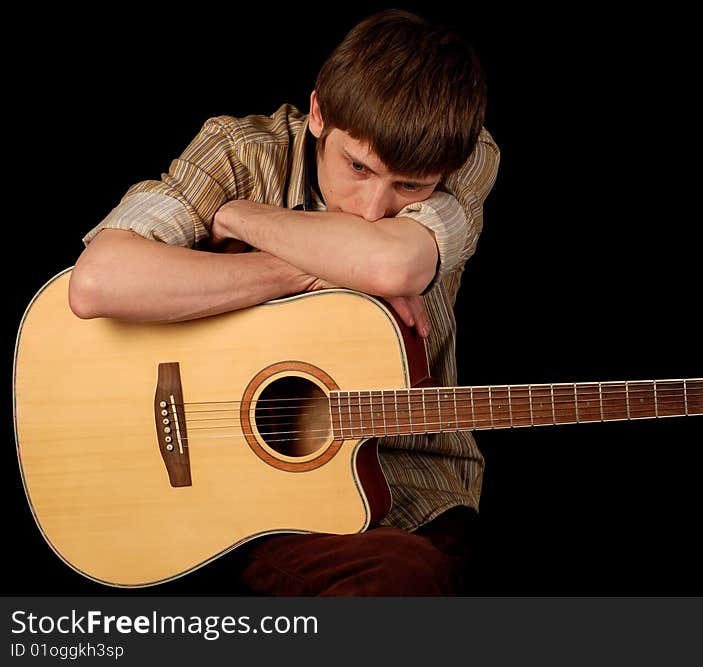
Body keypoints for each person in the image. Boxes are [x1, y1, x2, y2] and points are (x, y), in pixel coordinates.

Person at [68, 9, 500, 595]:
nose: (373, 209)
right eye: (358, 168)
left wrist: (234, 216)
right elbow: (98, 282)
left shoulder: (468, 157)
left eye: (410, 187)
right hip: (238, 489)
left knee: (410, 574)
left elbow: (390, 263)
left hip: (411, 484)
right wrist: (297, 271)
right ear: (319, 113)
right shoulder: (240, 152)